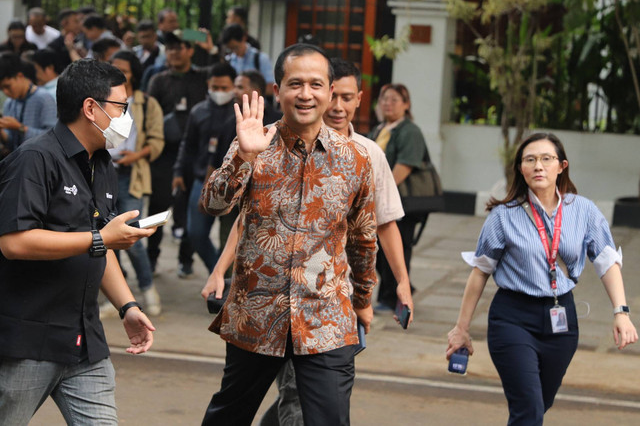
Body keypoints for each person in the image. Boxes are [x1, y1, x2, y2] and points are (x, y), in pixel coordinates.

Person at [208, 57, 414, 426]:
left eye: (316, 85)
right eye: (295, 84)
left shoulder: (355, 159)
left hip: (326, 318)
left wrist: (364, 299)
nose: (306, 94)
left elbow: (365, 239)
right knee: (228, 414)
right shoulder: (255, 144)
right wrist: (243, 155)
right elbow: (213, 205)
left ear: (330, 91)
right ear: (278, 91)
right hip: (257, 314)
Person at [0, 58, 156, 424]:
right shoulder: (34, 159)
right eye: (121, 107)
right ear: (91, 107)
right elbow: (14, 242)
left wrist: (127, 306)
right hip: (30, 341)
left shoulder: (102, 163)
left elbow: (102, 246)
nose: (126, 117)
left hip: (85, 343)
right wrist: (99, 237)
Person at [446, 132, 638, 425]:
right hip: (512, 318)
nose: (538, 166)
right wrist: (461, 328)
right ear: (521, 169)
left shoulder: (583, 210)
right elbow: (480, 272)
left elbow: (607, 261)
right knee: (529, 408)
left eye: (546, 159)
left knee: (538, 406)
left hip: (562, 322)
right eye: (530, 160)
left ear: (561, 166)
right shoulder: (503, 216)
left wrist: (621, 312)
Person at [101, 50, 165, 317]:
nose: (119, 73)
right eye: (114, 68)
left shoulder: (146, 103)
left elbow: (157, 141)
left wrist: (135, 156)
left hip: (130, 176)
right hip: (105, 172)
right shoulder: (101, 99)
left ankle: (148, 288)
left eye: (124, 69)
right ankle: (116, 297)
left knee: (132, 235)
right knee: (105, 235)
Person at [147, 30, 207, 278]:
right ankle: (150, 259)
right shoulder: (158, 80)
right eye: (170, 48)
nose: (174, 52)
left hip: (194, 153)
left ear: (190, 50)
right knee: (157, 210)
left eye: (179, 47)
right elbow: (150, 114)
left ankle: (186, 259)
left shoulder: (202, 77)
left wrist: (208, 44)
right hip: (165, 154)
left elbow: (225, 72)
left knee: (191, 210)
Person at [205, 70, 282, 254]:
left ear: (256, 90)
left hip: (260, 206)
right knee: (226, 246)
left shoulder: (275, 123)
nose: (234, 91)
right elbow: (216, 159)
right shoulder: (231, 119)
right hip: (230, 196)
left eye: (240, 87)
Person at [172, 62, 237, 273]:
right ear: (209, 85)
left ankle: (224, 279)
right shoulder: (198, 112)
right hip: (202, 181)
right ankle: (216, 270)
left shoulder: (239, 114)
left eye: (224, 88)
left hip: (234, 184)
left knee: (229, 238)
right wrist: (179, 171)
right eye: (215, 87)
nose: (219, 92)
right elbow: (187, 145)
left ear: (233, 87)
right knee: (196, 232)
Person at [368, 83, 426, 312]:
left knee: (397, 248)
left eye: (394, 100)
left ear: (406, 104)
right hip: (380, 199)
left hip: (404, 202)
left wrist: (381, 192)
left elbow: (405, 165)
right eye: (384, 100)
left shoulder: (410, 131)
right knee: (381, 250)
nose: (387, 104)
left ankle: (392, 297)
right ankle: (401, 289)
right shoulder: (381, 129)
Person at [0, 53, 57, 157]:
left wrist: (20, 128)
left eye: (7, 86)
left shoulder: (44, 98)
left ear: (20, 76)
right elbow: (12, 144)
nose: (6, 92)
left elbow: (53, 138)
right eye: (1, 89)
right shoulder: (10, 103)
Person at [222, 24, 274, 96]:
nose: (235, 52)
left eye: (236, 47)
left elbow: (270, 88)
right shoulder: (229, 60)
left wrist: (248, 92)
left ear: (244, 38)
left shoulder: (260, 59)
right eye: (231, 49)